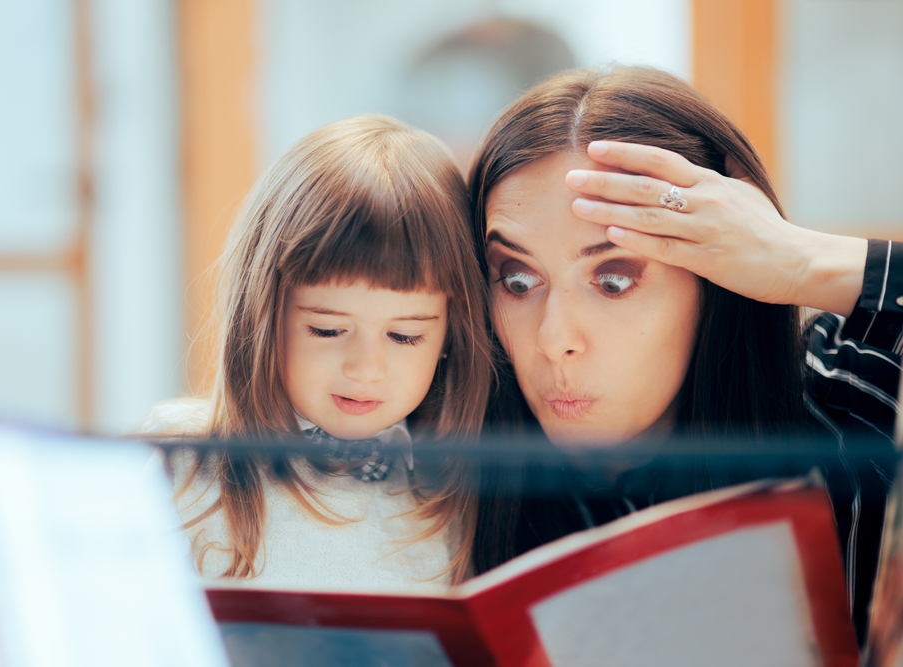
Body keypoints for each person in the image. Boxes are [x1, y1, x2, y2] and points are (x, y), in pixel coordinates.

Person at [466, 66, 900, 641]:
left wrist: (800, 260)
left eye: (613, 280)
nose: (554, 339)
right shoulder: (443, 456)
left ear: (714, 274)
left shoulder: (848, 403)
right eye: (518, 281)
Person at [141, 115, 491, 591]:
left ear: (451, 337)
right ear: (264, 316)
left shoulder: (444, 491)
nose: (365, 369)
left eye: (405, 337)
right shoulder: (184, 460)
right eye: (327, 330)